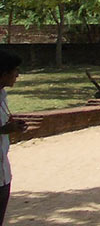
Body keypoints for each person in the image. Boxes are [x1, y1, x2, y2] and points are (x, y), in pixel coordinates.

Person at [0, 49, 27, 225]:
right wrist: (3, 129)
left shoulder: (2, 96)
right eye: (14, 71)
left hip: (3, 170)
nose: (17, 75)